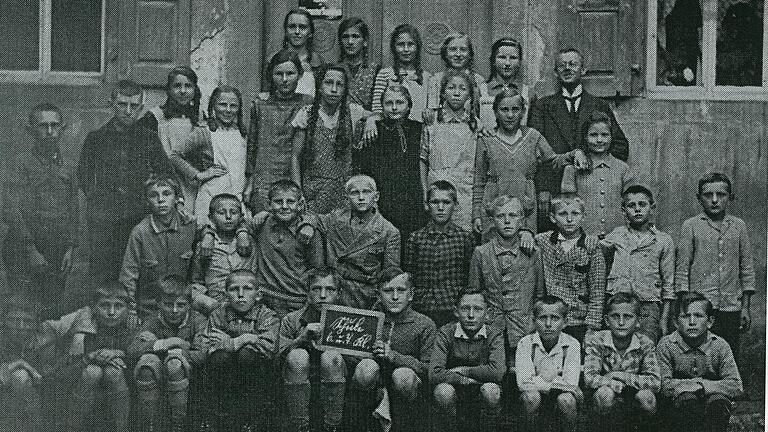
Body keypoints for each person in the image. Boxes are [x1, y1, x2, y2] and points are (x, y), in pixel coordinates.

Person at [77, 79, 175, 281]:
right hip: (105, 219)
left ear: (141, 108)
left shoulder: (149, 138)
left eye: (134, 106)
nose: (128, 111)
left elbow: (165, 173)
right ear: (112, 104)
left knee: (139, 270)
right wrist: (99, 199)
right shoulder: (96, 138)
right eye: (122, 104)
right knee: (104, 273)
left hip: (138, 216)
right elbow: (84, 175)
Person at [528, 48, 629, 232]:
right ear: (556, 72)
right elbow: (534, 151)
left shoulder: (599, 105)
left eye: (573, 64)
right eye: (562, 65)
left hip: (590, 191)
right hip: (554, 190)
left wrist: (589, 159)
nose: (567, 68)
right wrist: (542, 189)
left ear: (583, 70)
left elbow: (621, 147)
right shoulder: (542, 106)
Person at [473, 88, 581, 236]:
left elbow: (553, 161)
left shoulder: (533, 137)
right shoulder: (486, 140)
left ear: (523, 112)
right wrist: (477, 215)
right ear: (496, 112)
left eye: (515, 109)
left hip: (525, 206)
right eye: (504, 109)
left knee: (525, 251)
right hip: (493, 207)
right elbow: (479, 180)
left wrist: (574, 154)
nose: (510, 115)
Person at [674, 172, 755, 360]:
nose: (715, 200)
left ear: (730, 197)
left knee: (728, 352)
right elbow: (682, 268)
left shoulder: (738, 226)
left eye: (721, 195)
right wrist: (685, 306)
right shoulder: (691, 226)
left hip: (730, 306)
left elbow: (747, 269)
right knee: (698, 352)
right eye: (708, 195)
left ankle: (726, 387)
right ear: (699, 198)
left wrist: (745, 307)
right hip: (700, 305)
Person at [8, 103, 78, 318]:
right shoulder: (20, 163)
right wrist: (30, 249)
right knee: (23, 311)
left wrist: (70, 247)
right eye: (43, 126)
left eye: (54, 126)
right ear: (31, 129)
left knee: (52, 310)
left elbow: (73, 208)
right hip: (24, 247)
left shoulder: (68, 165)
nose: (49, 132)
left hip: (57, 248)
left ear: (62, 128)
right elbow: (11, 208)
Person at [346, 271, 436, 432]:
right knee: (366, 368)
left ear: (411, 294)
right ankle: (364, 426)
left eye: (401, 290)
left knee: (403, 376)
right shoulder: (367, 320)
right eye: (388, 291)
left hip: (407, 392)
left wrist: (394, 356)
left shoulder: (424, 324)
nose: (395, 297)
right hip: (373, 386)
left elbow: (429, 369)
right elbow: (350, 358)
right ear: (378, 295)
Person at [196, 269, 279, 431]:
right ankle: (218, 417)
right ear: (226, 293)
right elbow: (206, 346)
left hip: (255, 376)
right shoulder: (219, 314)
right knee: (219, 358)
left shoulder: (267, 315)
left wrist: (232, 342)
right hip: (224, 374)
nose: (241, 294)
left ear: (258, 294)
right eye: (234, 289)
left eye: (247, 289)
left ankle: (250, 418)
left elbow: (269, 347)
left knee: (247, 355)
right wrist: (246, 338)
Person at [303, 174, 400, 310]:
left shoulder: (388, 231)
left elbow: (391, 275)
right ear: (346, 197)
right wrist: (307, 226)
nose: (361, 198)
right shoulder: (335, 219)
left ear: (376, 196)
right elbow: (312, 217)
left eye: (366, 192)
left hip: (365, 296)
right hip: (333, 292)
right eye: (355, 193)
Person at [469, 195, 543, 369]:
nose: (507, 221)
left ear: (522, 220)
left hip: (524, 328)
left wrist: (532, 323)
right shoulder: (481, 253)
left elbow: (539, 295)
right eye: (501, 216)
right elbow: (474, 292)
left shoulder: (533, 253)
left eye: (513, 215)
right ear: (493, 221)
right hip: (491, 328)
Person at [128, 275, 207, 432]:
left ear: (190, 305)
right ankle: (150, 423)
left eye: (181, 305)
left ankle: (179, 423)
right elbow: (132, 350)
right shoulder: (152, 321)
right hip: (157, 374)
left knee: (174, 364)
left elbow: (201, 354)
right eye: (168, 304)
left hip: (190, 377)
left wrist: (167, 345)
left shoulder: (198, 321)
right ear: (158, 303)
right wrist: (169, 343)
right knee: (146, 363)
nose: (175, 310)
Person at [657, 292, 743, 432]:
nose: (692, 322)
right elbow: (663, 385)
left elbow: (736, 385)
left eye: (698, 316)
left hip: (712, 397)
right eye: (685, 316)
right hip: (679, 403)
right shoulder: (667, 344)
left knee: (718, 402)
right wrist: (689, 388)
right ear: (675, 322)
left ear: (710, 322)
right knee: (688, 401)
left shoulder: (720, 345)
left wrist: (701, 386)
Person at [237, 180, 324, 316]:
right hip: (264, 297)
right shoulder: (263, 222)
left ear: (300, 204)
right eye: (278, 202)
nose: (284, 206)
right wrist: (242, 233)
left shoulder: (308, 232)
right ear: (269, 205)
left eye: (290, 202)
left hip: (295, 299)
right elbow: (240, 222)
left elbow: (318, 269)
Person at [600, 185, 674, 342]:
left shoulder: (663, 240)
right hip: (619, 304)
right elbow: (599, 258)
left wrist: (664, 318)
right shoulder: (616, 235)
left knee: (646, 348)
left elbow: (669, 283)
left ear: (652, 208)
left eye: (642, 204)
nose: (637, 210)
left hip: (648, 306)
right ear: (624, 210)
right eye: (631, 205)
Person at [291, 64, 369, 214]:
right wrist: (298, 193)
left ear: (345, 89)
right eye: (328, 83)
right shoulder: (306, 114)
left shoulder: (352, 112)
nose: (334, 89)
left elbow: (378, 115)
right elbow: (295, 157)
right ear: (319, 86)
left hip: (343, 194)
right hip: (313, 191)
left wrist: (371, 120)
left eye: (339, 84)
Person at [355, 84, 425, 246]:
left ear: (409, 106)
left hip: (412, 196)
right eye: (388, 103)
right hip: (385, 196)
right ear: (382, 106)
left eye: (399, 103)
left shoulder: (418, 129)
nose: (394, 108)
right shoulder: (373, 130)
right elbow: (366, 168)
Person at [119, 177, 197, 320]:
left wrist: (208, 234)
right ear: (147, 201)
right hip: (150, 307)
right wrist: (131, 310)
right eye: (154, 195)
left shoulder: (190, 225)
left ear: (177, 198)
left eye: (167, 194)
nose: (161, 200)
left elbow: (207, 230)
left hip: (183, 304)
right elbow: (128, 276)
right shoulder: (140, 232)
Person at [279, 267, 346, 432]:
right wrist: (301, 339)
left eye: (330, 289)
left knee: (331, 357)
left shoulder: (350, 320)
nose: (323, 295)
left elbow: (359, 357)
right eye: (316, 289)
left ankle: (332, 426)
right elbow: (277, 356)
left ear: (339, 293)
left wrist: (335, 343)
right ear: (307, 292)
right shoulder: (292, 319)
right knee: (297, 355)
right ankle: (300, 426)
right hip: (297, 374)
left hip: (336, 375)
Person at [170, 85, 248, 225]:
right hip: (210, 197)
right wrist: (199, 175)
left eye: (233, 106)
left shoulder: (243, 133)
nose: (228, 110)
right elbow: (175, 156)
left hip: (236, 200)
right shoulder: (203, 132)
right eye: (223, 105)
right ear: (213, 106)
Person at [245, 50, 311, 213]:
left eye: (290, 73)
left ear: (300, 75)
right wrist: (250, 182)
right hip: (265, 177)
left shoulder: (308, 103)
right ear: (271, 75)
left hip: (296, 175)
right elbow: (252, 146)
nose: (284, 80)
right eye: (278, 74)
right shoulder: (260, 104)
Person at [583, 293, 661, 432]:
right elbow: (589, 378)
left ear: (638, 321)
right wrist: (612, 383)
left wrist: (619, 376)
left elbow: (655, 382)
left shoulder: (645, 343)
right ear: (607, 320)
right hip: (606, 392)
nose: (621, 322)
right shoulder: (597, 340)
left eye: (628, 317)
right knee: (605, 395)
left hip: (633, 393)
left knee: (647, 398)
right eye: (615, 316)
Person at [535, 194, 605, 345]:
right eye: (562, 214)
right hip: (551, 318)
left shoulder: (591, 247)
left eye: (575, 214)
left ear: (583, 217)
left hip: (579, 320)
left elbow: (597, 291)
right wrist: (525, 233)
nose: (569, 219)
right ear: (553, 218)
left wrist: (592, 327)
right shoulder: (542, 242)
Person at [65, 282, 135, 432]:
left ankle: (122, 428)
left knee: (113, 372)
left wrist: (121, 353)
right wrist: (90, 357)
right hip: (85, 389)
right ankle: (73, 426)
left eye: (118, 306)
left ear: (128, 308)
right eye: (104, 306)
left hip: (122, 389)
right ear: (94, 308)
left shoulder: (132, 327)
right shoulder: (83, 329)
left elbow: (140, 352)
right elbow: (65, 372)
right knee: (92, 372)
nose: (111, 312)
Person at [430, 291, 505, 432]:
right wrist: (463, 380)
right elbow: (434, 373)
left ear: (488, 313)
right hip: (455, 389)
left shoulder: (494, 334)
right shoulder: (445, 332)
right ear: (456, 311)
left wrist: (464, 371)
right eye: (465, 309)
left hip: (482, 389)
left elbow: (498, 372)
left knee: (491, 390)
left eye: (477, 309)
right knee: (442, 391)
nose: (471, 315)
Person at [404, 181, 474, 327]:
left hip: (454, 311)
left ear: (455, 205)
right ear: (427, 204)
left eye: (446, 202)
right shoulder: (416, 238)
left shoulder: (464, 237)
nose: (440, 208)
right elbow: (410, 276)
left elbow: (470, 278)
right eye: (435, 202)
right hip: (423, 309)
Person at [420, 69, 478, 232]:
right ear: (443, 92)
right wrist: (425, 191)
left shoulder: (475, 125)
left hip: (464, 193)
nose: (457, 93)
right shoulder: (432, 122)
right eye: (451, 88)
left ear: (469, 95)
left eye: (462, 89)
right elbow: (423, 159)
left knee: (462, 237)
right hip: (437, 191)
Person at [560, 110, 635, 238]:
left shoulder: (623, 169)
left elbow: (632, 204)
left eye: (605, 135)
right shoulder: (572, 169)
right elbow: (566, 207)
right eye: (593, 135)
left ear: (611, 136)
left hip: (617, 239)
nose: (599, 140)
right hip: (582, 239)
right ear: (585, 137)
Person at [138, 66, 201, 213]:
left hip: (193, 181)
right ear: (169, 89)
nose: (183, 91)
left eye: (188, 86)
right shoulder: (155, 117)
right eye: (177, 86)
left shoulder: (199, 118)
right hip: (166, 183)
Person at [516, 295, 582, 432]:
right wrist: (558, 383)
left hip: (560, 399)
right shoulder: (525, 343)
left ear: (565, 322)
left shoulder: (572, 344)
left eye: (555, 318)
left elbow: (571, 383)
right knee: (530, 397)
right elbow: (523, 383)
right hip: (534, 398)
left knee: (567, 400)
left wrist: (537, 381)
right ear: (534, 321)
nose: (548, 324)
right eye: (542, 318)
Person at [191, 193, 257, 314]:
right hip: (215, 306)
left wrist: (242, 231)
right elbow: (196, 281)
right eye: (221, 213)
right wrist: (204, 300)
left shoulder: (250, 241)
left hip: (248, 305)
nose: (228, 217)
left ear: (241, 216)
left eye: (234, 212)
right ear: (211, 217)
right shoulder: (204, 245)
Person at [371, 24, 431, 123]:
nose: (406, 49)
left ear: (417, 47)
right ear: (394, 47)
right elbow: (377, 109)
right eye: (401, 44)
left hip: (418, 132)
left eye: (410, 44)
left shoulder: (427, 77)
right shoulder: (385, 74)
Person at [0, 295, 42, 432]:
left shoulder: (43, 337)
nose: (21, 327)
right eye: (14, 320)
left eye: (28, 321)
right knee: (20, 376)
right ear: (3, 321)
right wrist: (19, 364)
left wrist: (79, 335)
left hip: (30, 403)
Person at [426, 33, 486, 122]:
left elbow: (484, 112)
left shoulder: (479, 81)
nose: (458, 54)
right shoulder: (436, 80)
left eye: (463, 49)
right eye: (453, 49)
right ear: (445, 53)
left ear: (470, 54)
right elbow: (431, 112)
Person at [479, 37, 531, 128]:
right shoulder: (480, 91)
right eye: (502, 57)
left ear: (519, 62)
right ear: (493, 61)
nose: (507, 63)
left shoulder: (528, 93)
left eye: (513, 58)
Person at [275, 9, 325, 98]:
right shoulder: (274, 59)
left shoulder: (317, 62)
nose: (297, 32)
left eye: (302, 27)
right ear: (286, 31)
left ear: (310, 33)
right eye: (292, 27)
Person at [337, 17, 379, 110]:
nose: (350, 42)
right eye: (345, 37)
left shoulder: (376, 71)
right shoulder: (333, 69)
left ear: (365, 41)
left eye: (355, 36)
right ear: (340, 41)